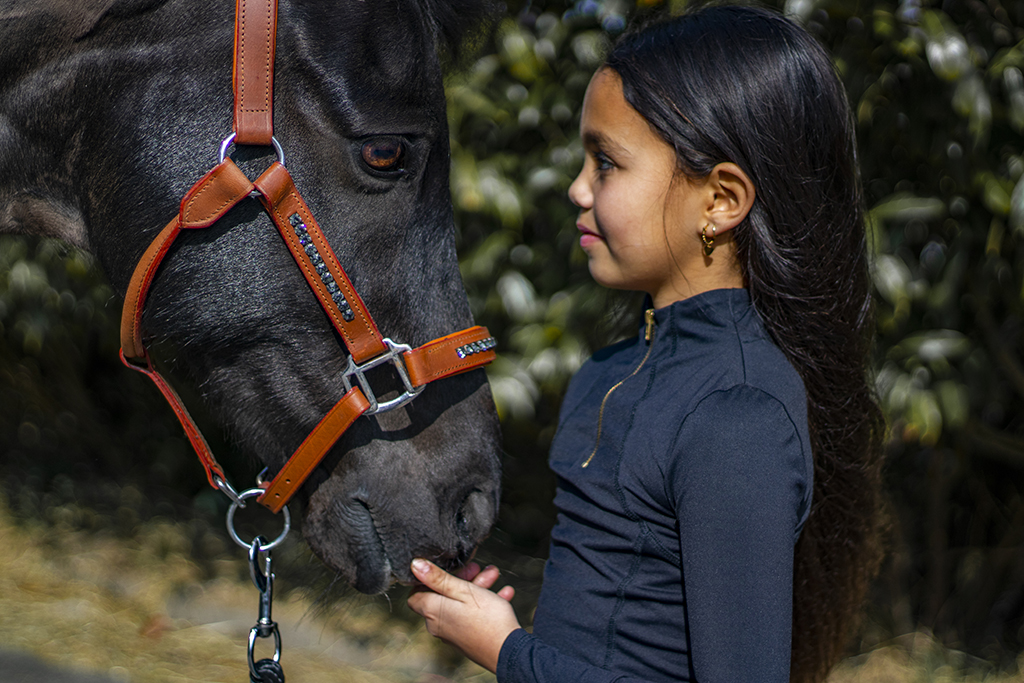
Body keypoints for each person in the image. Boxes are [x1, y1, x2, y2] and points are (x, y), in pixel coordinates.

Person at [407, 5, 886, 683]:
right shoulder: (609, 372)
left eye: (606, 162)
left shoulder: (737, 415)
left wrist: (509, 651)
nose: (577, 187)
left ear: (720, 199)